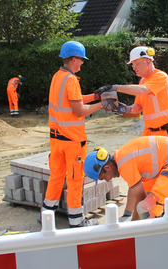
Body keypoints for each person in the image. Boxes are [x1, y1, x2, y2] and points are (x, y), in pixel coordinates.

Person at [95, 46, 168, 218]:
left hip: (166, 130)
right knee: (146, 173)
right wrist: (120, 108)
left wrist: (115, 87)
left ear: (148, 62)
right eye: (132, 64)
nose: (133, 68)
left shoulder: (160, 77)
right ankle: (150, 210)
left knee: (167, 172)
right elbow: (137, 108)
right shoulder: (142, 81)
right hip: (150, 131)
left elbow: (143, 92)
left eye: (136, 64)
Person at [40, 40, 116, 228]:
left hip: (56, 139)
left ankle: (46, 215)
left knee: (56, 175)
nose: (82, 63)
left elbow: (74, 100)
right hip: (72, 141)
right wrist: (103, 103)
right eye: (81, 60)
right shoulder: (71, 80)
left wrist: (96, 96)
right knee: (74, 179)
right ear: (74, 59)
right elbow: (79, 110)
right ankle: (76, 221)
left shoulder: (59, 76)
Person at [83, 136, 168, 220]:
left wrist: (133, 229)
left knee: (145, 206)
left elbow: (140, 199)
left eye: (103, 178)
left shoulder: (124, 164)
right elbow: (137, 193)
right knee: (157, 205)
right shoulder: (122, 158)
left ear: (107, 167)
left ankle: (165, 231)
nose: (108, 180)